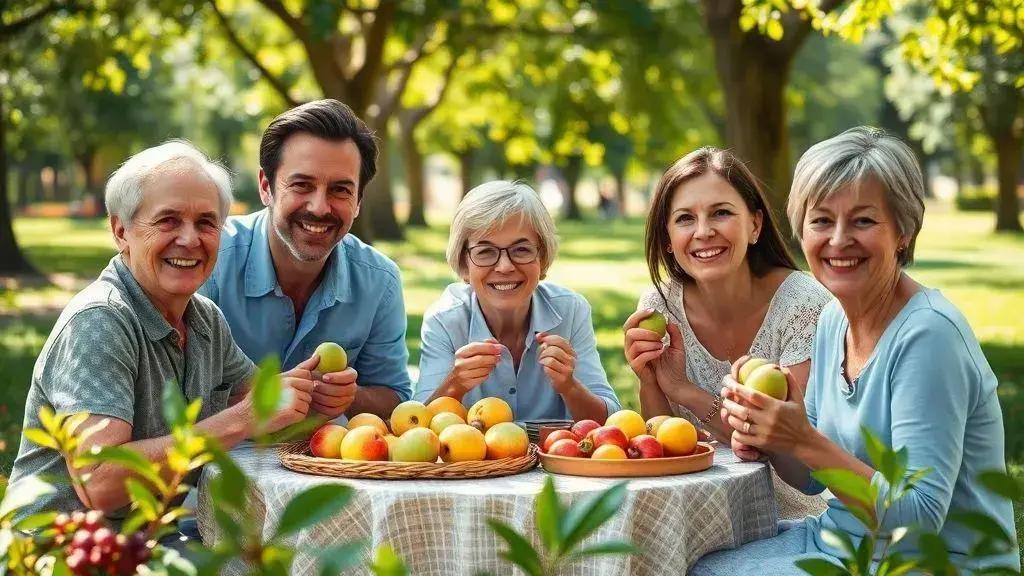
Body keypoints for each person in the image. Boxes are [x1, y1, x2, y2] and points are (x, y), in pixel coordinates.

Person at [693, 127, 1019, 572]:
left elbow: (920, 520)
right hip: (843, 543)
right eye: (822, 220)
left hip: (930, 563)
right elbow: (808, 479)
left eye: (863, 220)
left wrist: (802, 439)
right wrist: (771, 435)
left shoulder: (928, 336)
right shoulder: (832, 321)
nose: (839, 239)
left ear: (903, 231)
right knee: (692, 562)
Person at [4, 141, 320, 530]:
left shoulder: (204, 319)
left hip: (149, 541)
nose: (190, 239)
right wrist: (240, 419)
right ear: (122, 231)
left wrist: (314, 391)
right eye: (168, 220)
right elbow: (100, 482)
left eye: (206, 223)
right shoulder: (101, 320)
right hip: (57, 555)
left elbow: (262, 401)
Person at [623, 147, 831, 518]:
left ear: (755, 225)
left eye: (721, 213)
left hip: (789, 515)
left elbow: (783, 443)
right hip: (695, 513)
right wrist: (650, 381)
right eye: (685, 218)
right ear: (668, 238)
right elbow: (662, 442)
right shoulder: (659, 305)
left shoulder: (803, 305)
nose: (704, 232)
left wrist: (684, 391)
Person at [200, 99, 410, 420]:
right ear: (266, 187)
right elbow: (175, 398)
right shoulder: (210, 263)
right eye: (302, 185)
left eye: (340, 190)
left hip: (327, 465)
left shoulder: (380, 280)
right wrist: (264, 398)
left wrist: (350, 397)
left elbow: (394, 396)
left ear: (358, 202)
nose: (319, 207)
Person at [415, 181, 620, 421]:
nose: (504, 266)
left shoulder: (570, 310)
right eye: (485, 252)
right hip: (475, 459)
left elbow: (612, 422)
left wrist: (569, 386)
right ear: (464, 265)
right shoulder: (445, 319)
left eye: (521, 250)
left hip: (554, 457)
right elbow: (415, 427)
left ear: (542, 258)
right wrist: (454, 384)